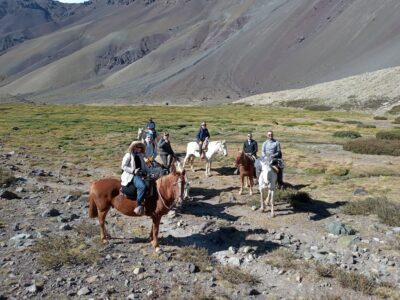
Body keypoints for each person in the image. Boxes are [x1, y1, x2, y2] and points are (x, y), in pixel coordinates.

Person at [121, 141, 149, 215]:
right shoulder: (128, 155)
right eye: (136, 147)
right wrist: (133, 171)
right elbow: (123, 166)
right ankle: (139, 204)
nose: (138, 149)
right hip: (132, 175)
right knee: (142, 187)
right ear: (133, 147)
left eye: (139, 147)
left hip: (141, 174)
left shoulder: (140, 156)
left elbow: (145, 166)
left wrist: (151, 172)